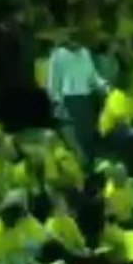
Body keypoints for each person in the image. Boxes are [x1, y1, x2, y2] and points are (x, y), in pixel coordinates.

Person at [45, 31, 108, 169]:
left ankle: (91, 169)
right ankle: (80, 170)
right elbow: (52, 83)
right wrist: (57, 103)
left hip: (87, 99)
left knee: (89, 136)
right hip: (70, 100)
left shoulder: (85, 53)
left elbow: (93, 77)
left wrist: (104, 85)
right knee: (76, 140)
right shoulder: (58, 55)